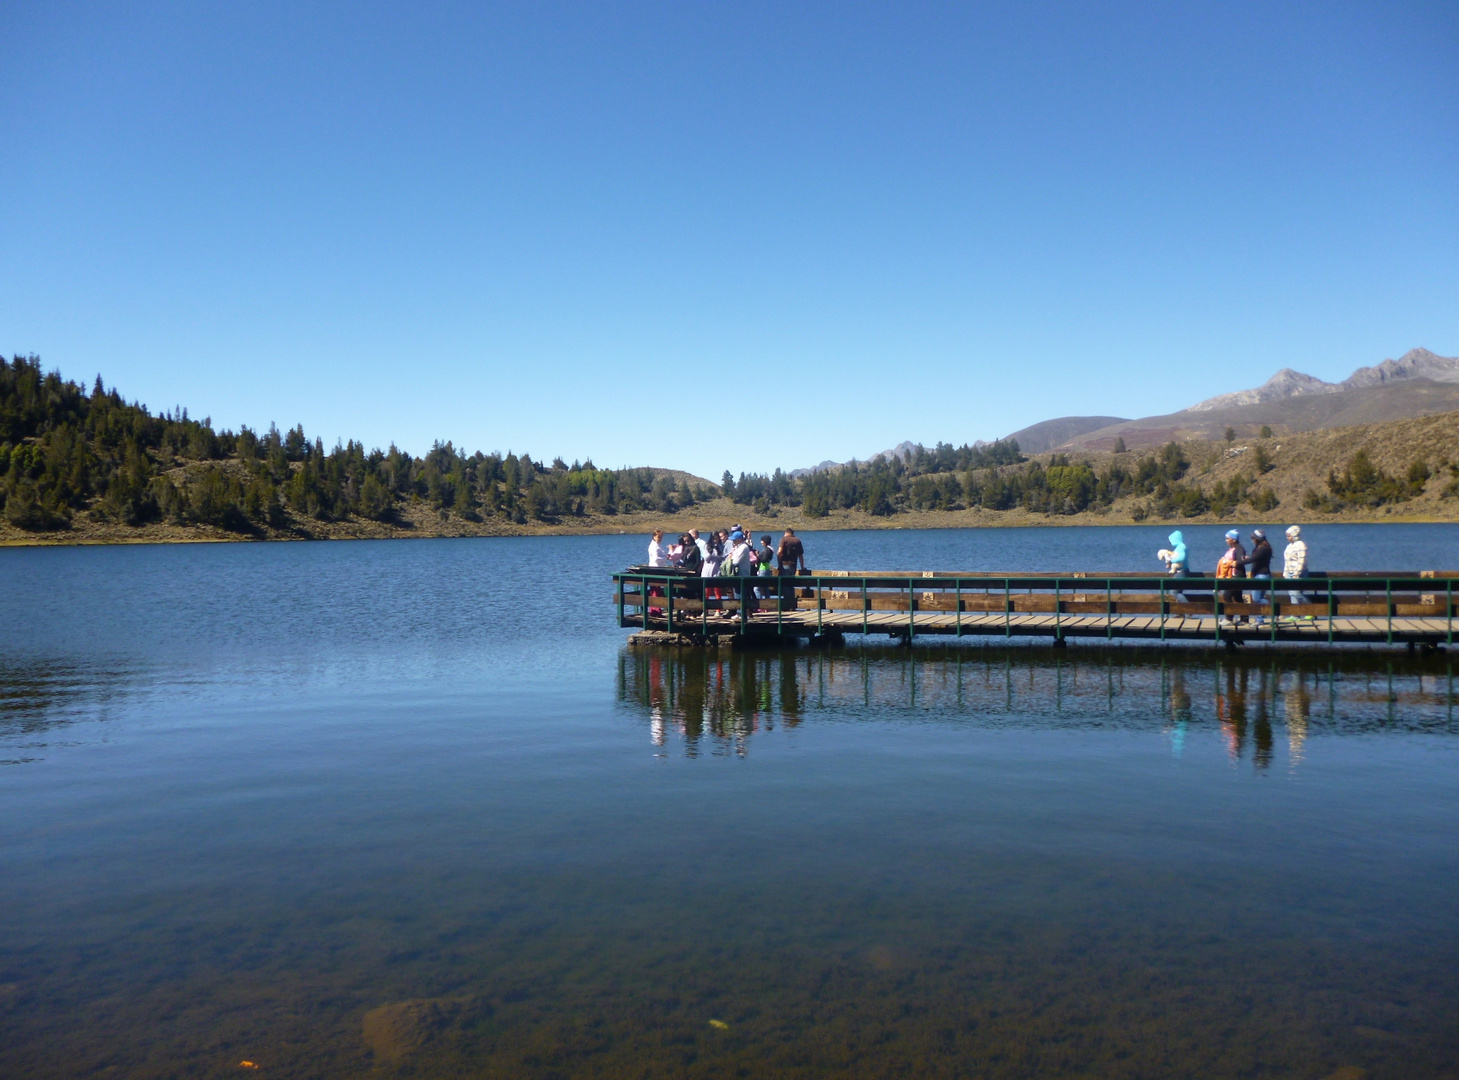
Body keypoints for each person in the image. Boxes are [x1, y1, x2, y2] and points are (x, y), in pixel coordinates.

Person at [1241, 529, 1273, 625]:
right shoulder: (1259, 548)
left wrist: (1236, 563)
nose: (1252, 540)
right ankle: (1260, 620)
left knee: (1256, 598)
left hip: (1262, 576)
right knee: (1260, 597)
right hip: (1259, 575)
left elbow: (1253, 559)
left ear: (1257, 539)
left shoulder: (1263, 549)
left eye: (1253, 538)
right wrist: (1248, 558)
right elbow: (1254, 559)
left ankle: (1273, 611)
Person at [1283, 525, 1313, 622]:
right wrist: (1285, 571)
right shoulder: (1289, 546)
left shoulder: (1300, 545)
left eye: (1289, 535)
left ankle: (1311, 610)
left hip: (1299, 573)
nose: (1288, 537)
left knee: (1296, 592)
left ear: (1294, 535)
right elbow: (1286, 560)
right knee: (1292, 593)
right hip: (1289, 572)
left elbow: (1301, 560)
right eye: (1287, 536)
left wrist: (1297, 573)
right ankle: (1295, 614)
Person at [1217, 529, 1247, 624]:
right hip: (1232, 576)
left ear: (1233, 539)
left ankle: (1229, 618)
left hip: (1237, 576)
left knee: (1227, 595)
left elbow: (1240, 561)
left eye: (1228, 538)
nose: (1226, 540)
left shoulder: (1239, 549)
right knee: (1238, 598)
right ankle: (1244, 619)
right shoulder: (1232, 548)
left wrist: (1230, 563)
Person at [1158, 529, 1190, 602]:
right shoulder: (1179, 547)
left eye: (1171, 541)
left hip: (1181, 572)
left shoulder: (1182, 547)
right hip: (1181, 572)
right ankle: (1182, 612)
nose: (1170, 543)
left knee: (1175, 592)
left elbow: (1181, 558)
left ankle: (1189, 607)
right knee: (1178, 592)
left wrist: (1171, 559)